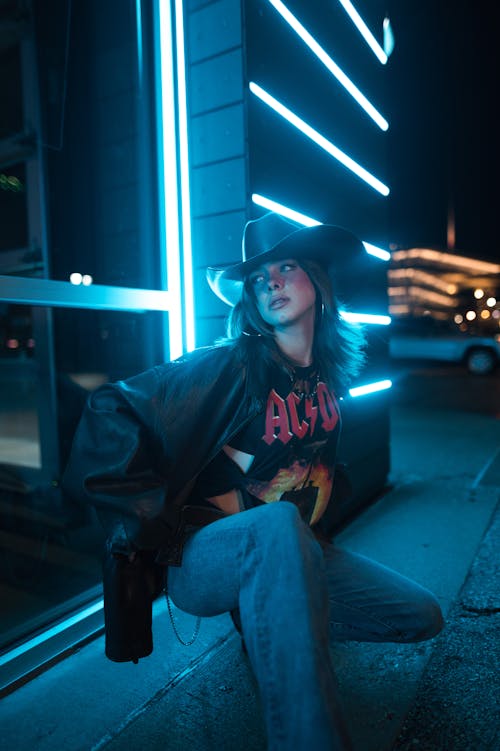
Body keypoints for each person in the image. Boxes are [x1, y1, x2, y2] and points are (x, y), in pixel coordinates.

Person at [62, 212, 444, 751]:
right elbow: (109, 407)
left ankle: (271, 618)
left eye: (287, 268)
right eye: (261, 278)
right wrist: (147, 520)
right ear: (251, 300)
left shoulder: (326, 374)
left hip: (291, 547)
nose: (273, 283)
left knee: (420, 616)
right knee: (277, 526)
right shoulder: (233, 367)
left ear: (319, 281)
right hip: (208, 556)